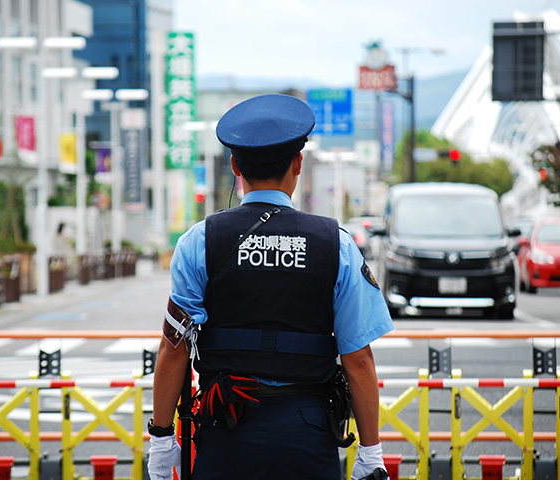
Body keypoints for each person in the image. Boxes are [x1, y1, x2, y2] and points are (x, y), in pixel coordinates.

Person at [148, 94, 394, 480]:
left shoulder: (198, 241)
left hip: (225, 428)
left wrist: (162, 440)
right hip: (308, 432)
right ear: (298, 163)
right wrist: (370, 450)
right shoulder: (337, 244)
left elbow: (174, 348)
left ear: (234, 167)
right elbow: (358, 358)